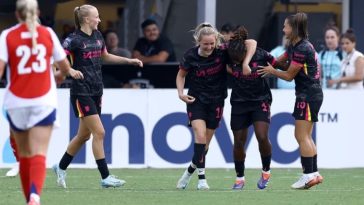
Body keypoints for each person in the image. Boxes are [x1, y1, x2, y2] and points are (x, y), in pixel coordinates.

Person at [0, 0, 83, 204]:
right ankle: (35, 197)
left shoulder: (7, 35)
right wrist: (57, 79)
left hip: (16, 101)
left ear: (17, 15)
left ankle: (30, 196)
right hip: (43, 100)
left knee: (25, 154)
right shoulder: (47, 33)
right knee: (38, 153)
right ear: (37, 12)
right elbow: (64, 68)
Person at [52, 4, 143, 189]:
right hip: (81, 92)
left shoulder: (98, 36)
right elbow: (57, 61)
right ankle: (105, 177)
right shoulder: (73, 40)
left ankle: (60, 167)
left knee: (83, 136)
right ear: (86, 19)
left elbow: (105, 56)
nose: (99, 20)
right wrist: (70, 70)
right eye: (97, 17)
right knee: (99, 132)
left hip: (96, 90)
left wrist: (128, 60)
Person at [175, 22, 256, 190]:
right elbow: (181, 75)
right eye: (206, 44)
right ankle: (202, 180)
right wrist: (181, 93)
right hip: (196, 101)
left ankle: (188, 172)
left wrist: (246, 63)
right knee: (200, 136)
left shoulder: (221, 51)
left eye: (212, 43)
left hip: (217, 101)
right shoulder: (190, 56)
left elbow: (251, 43)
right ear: (198, 41)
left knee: (204, 147)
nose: (209, 47)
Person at [258, 12, 323, 189]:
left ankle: (308, 175)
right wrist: (260, 58)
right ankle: (314, 173)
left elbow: (287, 76)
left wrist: (271, 71)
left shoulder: (302, 48)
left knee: (301, 136)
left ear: (293, 29)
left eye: (285, 26)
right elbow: (277, 61)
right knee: (306, 136)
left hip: (308, 94)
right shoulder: (295, 45)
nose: (283, 29)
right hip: (310, 94)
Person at [227, 26, 277, 190]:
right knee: (239, 142)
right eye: (233, 61)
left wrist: (273, 70)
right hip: (239, 102)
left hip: (260, 100)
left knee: (262, 136)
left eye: (238, 59)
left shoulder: (261, 54)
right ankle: (240, 178)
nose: (235, 62)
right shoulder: (229, 53)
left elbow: (279, 65)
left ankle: (266, 171)